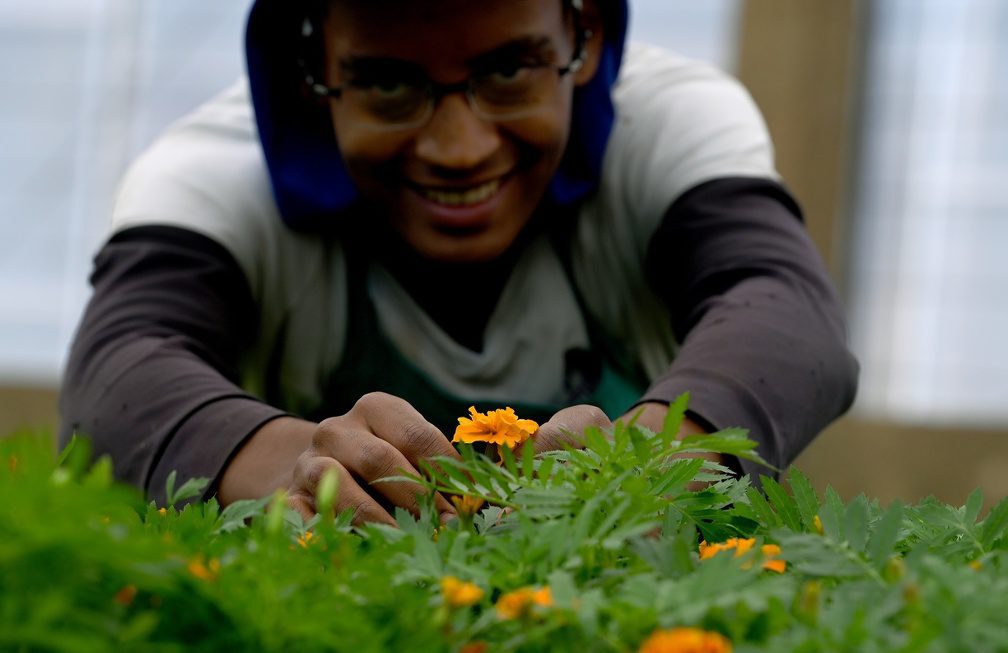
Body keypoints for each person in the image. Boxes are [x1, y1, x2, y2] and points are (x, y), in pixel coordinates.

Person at [59, 0, 858, 525]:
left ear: (586, 33)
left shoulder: (668, 125)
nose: (459, 149)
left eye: (509, 71)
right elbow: (117, 376)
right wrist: (295, 465)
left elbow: (786, 312)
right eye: (386, 84)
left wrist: (645, 462)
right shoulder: (215, 174)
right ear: (311, 65)